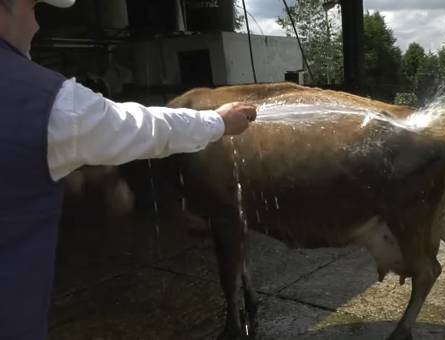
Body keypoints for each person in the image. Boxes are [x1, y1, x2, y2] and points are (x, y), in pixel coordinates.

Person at [0, 0, 257, 339]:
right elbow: (141, 127)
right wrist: (218, 122)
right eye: (34, 11)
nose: (36, 26)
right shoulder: (44, 101)